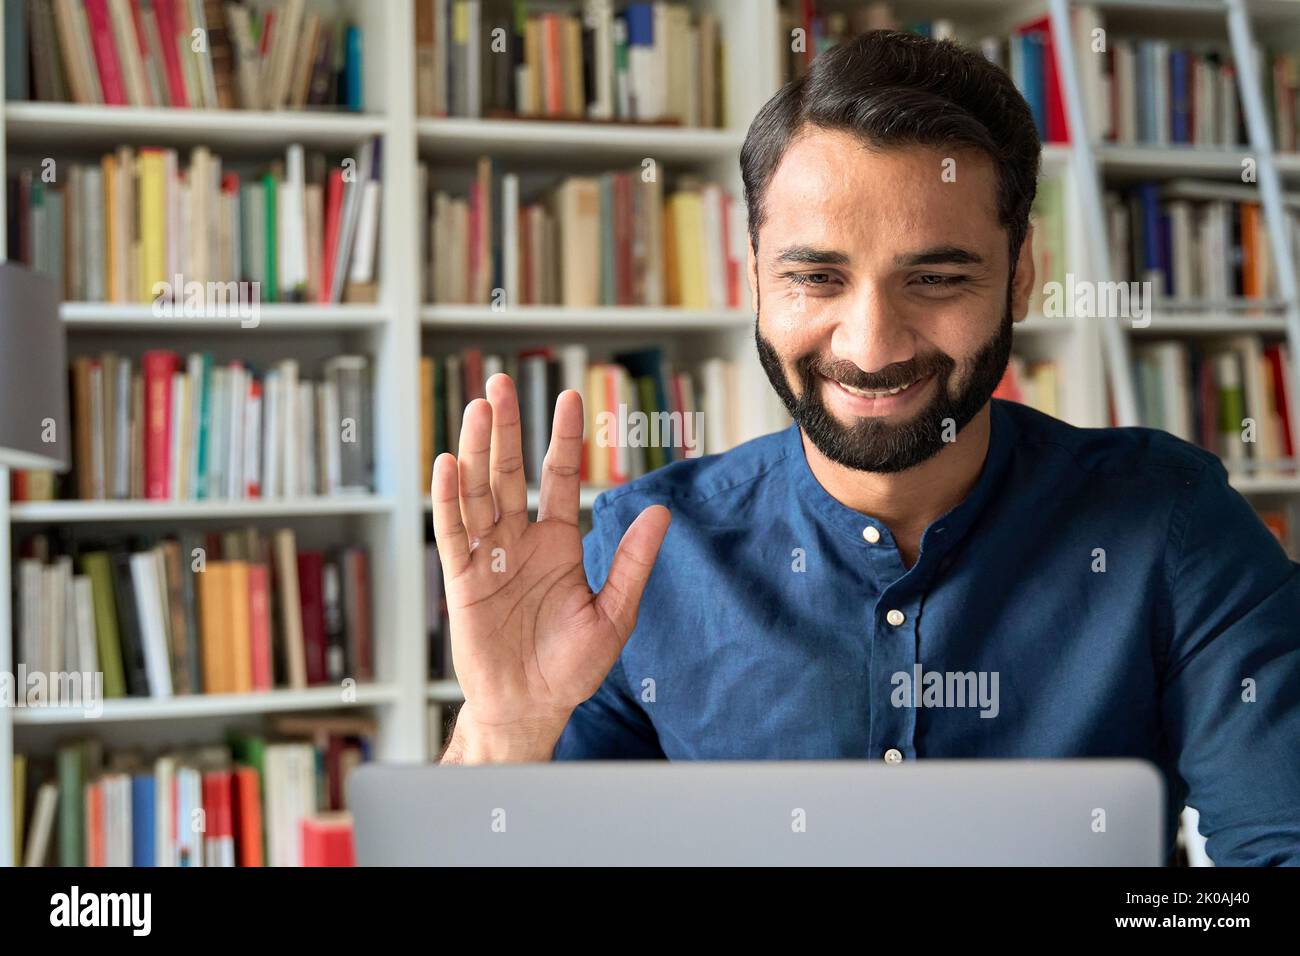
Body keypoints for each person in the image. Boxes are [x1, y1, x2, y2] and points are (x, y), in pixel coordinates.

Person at [430, 30, 1300, 865]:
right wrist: (503, 733)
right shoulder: (643, 556)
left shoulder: (1171, 526)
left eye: (937, 278)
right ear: (755, 279)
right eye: (816, 277)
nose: (873, 345)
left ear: (1022, 274)